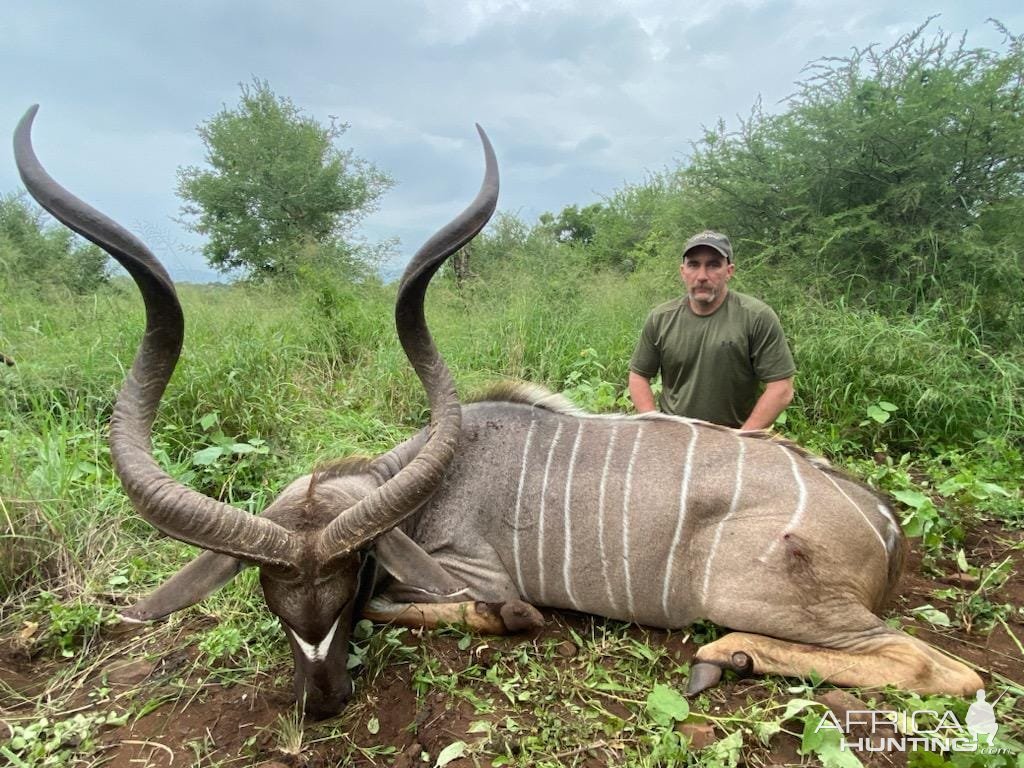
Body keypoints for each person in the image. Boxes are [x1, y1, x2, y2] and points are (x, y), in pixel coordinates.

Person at [628, 230, 795, 430]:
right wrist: (656, 427)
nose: (702, 276)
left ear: (729, 271)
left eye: (713, 265)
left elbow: (781, 388)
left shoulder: (757, 317)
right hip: (674, 438)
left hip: (733, 437)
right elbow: (639, 376)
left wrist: (741, 441)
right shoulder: (661, 318)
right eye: (693, 265)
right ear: (683, 271)